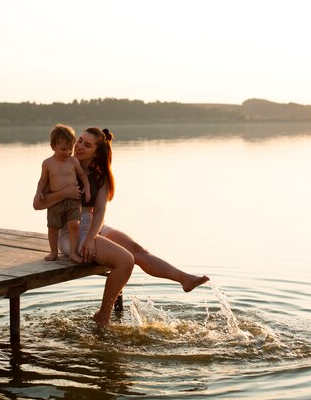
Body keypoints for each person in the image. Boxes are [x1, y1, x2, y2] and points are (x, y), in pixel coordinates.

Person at [34, 127, 210, 327]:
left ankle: (184, 279)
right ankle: (104, 316)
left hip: (92, 226)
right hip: (69, 234)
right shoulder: (59, 166)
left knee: (138, 251)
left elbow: (99, 212)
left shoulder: (101, 176)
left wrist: (92, 237)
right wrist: (65, 192)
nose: (79, 146)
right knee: (126, 260)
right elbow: (38, 204)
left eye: (87, 144)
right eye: (80, 141)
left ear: (96, 153)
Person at [35, 123, 91, 263]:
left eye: (70, 148)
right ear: (53, 146)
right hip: (55, 203)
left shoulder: (73, 161)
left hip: (72, 202)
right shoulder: (47, 163)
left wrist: (87, 188)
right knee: (53, 227)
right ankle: (53, 252)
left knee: (74, 225)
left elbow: (82, 175)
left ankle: (72, 252)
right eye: (64, 149)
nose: (68, 152)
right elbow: (42, 181)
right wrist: (38, 192)